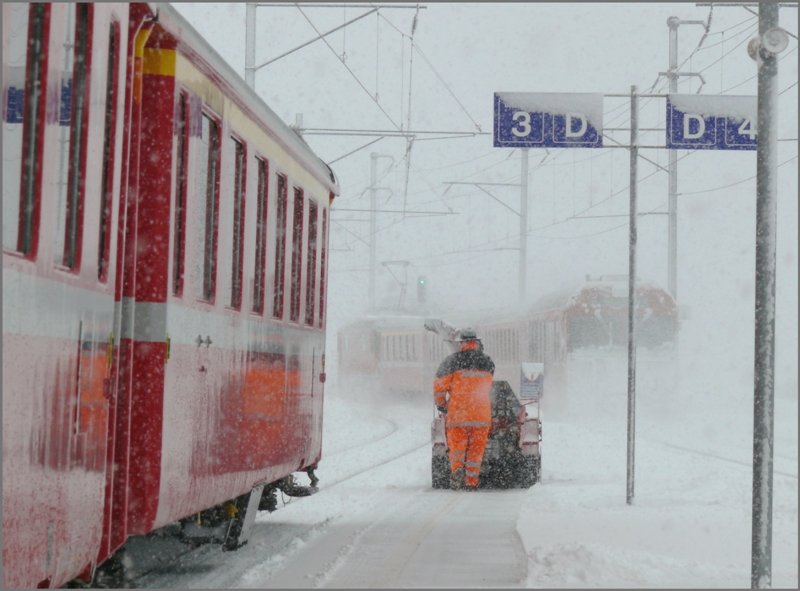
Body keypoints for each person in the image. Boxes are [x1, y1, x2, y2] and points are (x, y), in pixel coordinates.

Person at [433, 327, 495, 490]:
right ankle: (471, 482)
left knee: (457, 448)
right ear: (477, 343)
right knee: (476, 451)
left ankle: (458, 470)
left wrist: (441, 404)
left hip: (458, 414)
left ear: (461, 343)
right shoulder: (487, 363)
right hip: (481, 415)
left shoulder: (451, 362)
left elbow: (439, 387)